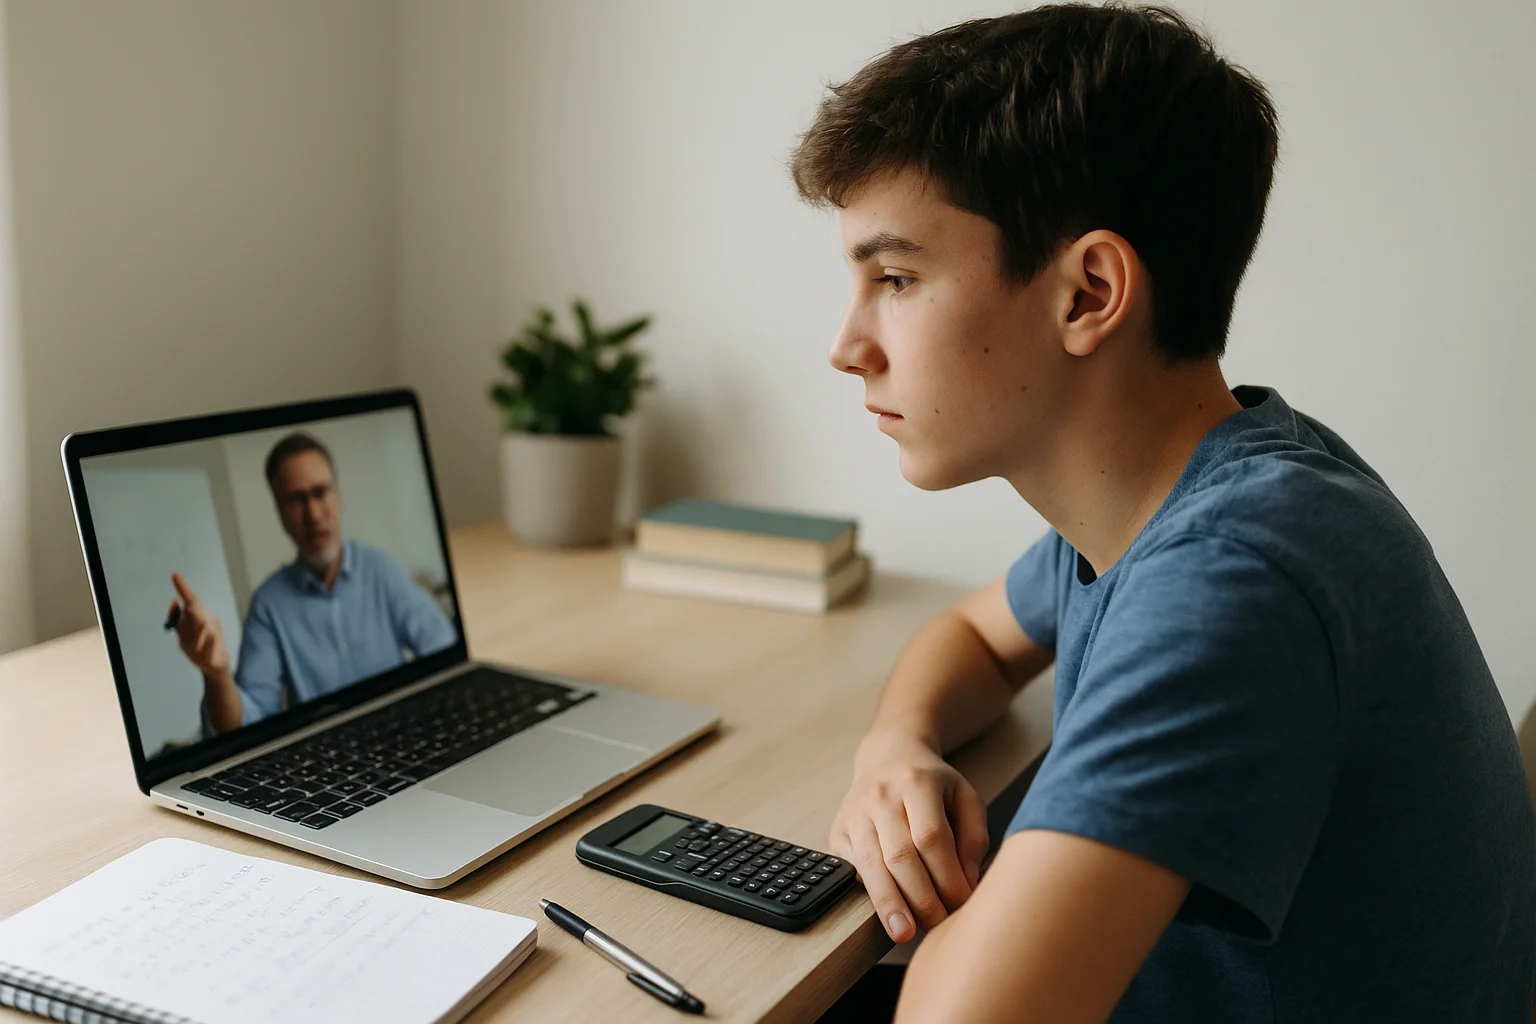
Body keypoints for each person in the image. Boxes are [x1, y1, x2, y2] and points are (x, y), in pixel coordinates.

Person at [790, 5, 1535, 1022]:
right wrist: (895, 746)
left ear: (1089, 292)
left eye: (897, 277)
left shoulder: (1237, 572)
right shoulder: (1210, 482)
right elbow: (970, 633)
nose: (847, 344)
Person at [169, 432, 456, 735]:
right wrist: (217, 675)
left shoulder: (381, 569)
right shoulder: (268, 606)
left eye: (320, 493)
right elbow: (246, 725)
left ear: (339, 498)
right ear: (279, 514)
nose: (313, 515)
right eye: (295, 500)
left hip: (406, 729)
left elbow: (445, 652)